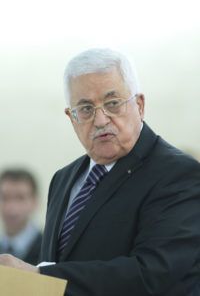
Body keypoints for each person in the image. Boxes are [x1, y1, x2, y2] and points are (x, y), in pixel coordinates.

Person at [0, 48, 200, 296]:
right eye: (85, 108)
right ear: (71, 117)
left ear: (139, 104)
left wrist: (40, 277)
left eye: (113, 103)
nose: (101, 119)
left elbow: (153, 274)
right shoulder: (63, 179)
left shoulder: (179, 174)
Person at [0, 168, 42, 265]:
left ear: (35, 202)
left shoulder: (50, 250)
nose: (11, 207)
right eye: (4, 197)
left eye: (20, 198)